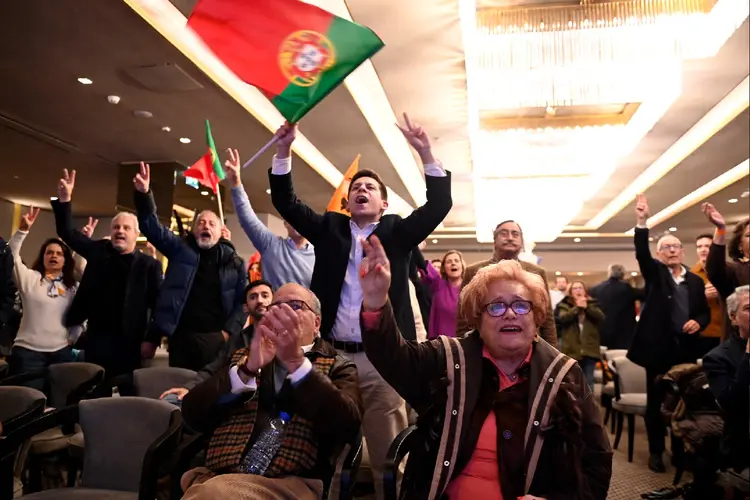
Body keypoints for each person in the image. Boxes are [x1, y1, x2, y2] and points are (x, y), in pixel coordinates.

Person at [268, 115, 452, 500]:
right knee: (330, 449)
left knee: (389, 455)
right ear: (347, 201)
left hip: (383, 358)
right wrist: (284, 150)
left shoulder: (397, 233)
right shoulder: (330, 229)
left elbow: (439, 205)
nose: (362, 190)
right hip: (333, 357)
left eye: (370, 187)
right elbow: (285, 201)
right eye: (356, 188)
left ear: (383, 203)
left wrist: (425, 151)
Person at [359, 236, 612, 499]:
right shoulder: (448, 359)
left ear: (537, 318)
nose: (510, 314)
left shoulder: (563, 375)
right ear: (477, 319)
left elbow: (598, 460)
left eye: (521, 305)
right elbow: (393, 358)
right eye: (497, 306)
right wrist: (375, 302)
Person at [179, 283, 363, 500]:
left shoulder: (338, 365)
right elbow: (192, 414)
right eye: (276, 307)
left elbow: (348, 426)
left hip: (292, 483)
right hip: (222, 473)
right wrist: (247, 370)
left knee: (212, 494)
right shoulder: (244, 358)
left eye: (295, 306)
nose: (282, 313)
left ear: (316, 323)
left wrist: (296, 363)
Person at [52, 169, 163, 395]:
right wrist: (65, 200)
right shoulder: (97, 251)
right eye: (115, 227)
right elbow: (67, 232)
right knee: (95, 394)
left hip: (131, 343)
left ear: (136, 234)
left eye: (125, 228)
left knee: (129, 396)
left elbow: (158, 306)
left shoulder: (149, 265)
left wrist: (152, 340)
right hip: (97, 339)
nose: (119, 231)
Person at [133, 162, 247, 371]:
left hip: (216, 340)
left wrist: (228, 333)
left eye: (211, 223)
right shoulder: (179, 249)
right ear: (194, 230)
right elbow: (152, 228)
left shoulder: (234, 262)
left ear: (221, 232)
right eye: (200, 223)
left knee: (209, 393)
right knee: (179, 393)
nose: (205, 226)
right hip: (181, 338)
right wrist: (144, 195)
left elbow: (243, 302)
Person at [627, 193, 710, 473]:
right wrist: (642, 220)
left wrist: (699, 322)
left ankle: (679, 451)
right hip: (657, 352)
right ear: (660, 254)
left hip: (686, 351)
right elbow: (641, 251)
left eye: (676, 246)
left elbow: (704, 313)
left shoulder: (696, 282)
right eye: (666, 247)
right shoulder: (656, 274)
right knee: (656, 404)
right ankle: (655, 452)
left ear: (682, 251)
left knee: (683, 403)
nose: (672, 250)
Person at [159, 280, 274, 405]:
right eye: (253, 297)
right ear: (245, 307)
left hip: (274, 400)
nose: (260, 301)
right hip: (238, 399)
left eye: (265, 295)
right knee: (170, 401)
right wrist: (188, 388)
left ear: (274, 302)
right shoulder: (238, 339)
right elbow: (212, 369)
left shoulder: (286, 335)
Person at [7, 207, 80, 387]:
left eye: (59, 253)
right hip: (28, 353)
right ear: (43, 257)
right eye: (49, 252)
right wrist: (23, 230)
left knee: (60, 403)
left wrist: (73, 337)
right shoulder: (30, 279)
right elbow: (12, 258)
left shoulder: (72, 287)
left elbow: (81, 314)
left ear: (65, 260)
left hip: (61, 353)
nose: (54, 256)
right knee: (30, 404)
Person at [225, 148, 315, 289]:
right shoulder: (271, 245)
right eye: (293, 218)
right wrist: (236, 183)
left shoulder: (320, 254)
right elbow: (247, 218)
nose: (297, 222)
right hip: (274, 310)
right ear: (285, 223)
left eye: (301, 218)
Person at [457, 220, 557, 345]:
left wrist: (551, 354)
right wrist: (464, 350)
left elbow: (546, 318)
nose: (510, 238)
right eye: (504, 234)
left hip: (529, 347)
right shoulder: (474, 271)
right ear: (494, 240)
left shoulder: (536, 272)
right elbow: (464, 317)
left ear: (522, 241)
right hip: (484, 347)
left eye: (515, 234)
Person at [702, 285, 749, 473]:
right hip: (743, 440)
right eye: (748, 308)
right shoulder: (717, 357)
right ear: (733, 318)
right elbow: (732, 403)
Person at [702, 203, 749, 337]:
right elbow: (714, 269)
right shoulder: (734, 270)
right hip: (740, 347)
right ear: (740, 246)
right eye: (749, 235)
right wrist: (721, 229)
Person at [555, 281, 604, 390]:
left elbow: (601, 318)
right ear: (571, 292)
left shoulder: (593, 304)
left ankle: (588, 407)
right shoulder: (564, 304)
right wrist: (577, 308)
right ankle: (573, 407)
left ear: (585, 291)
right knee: (572, 383)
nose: (578, 290)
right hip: (571, 349)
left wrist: (587, 307)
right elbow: (562, 319)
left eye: (580, 288)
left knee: (588, 382)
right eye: (575, 288)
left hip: (589, 349)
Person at [589, 264, 642, 349]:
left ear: (609, 273)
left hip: (602, 330)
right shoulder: (627, 288)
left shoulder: (596, 289)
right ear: (623, 274)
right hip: (624, 333)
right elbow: (644, 294)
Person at [417, 250, 465, 338]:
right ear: (443, 268)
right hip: (441, 342)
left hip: (464, 340)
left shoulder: (469, 287)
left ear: (462, 265)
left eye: (456, 261)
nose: (453, 263)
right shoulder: (438, 283)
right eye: (449, 262)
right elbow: (422, 264)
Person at [691, 234, 724, 351]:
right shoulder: (691, 274)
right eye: (699, 246)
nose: (703, 249)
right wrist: (702, 296)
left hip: (724, 331)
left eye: (707, 246)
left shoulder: (726, 271)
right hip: (701, 333)